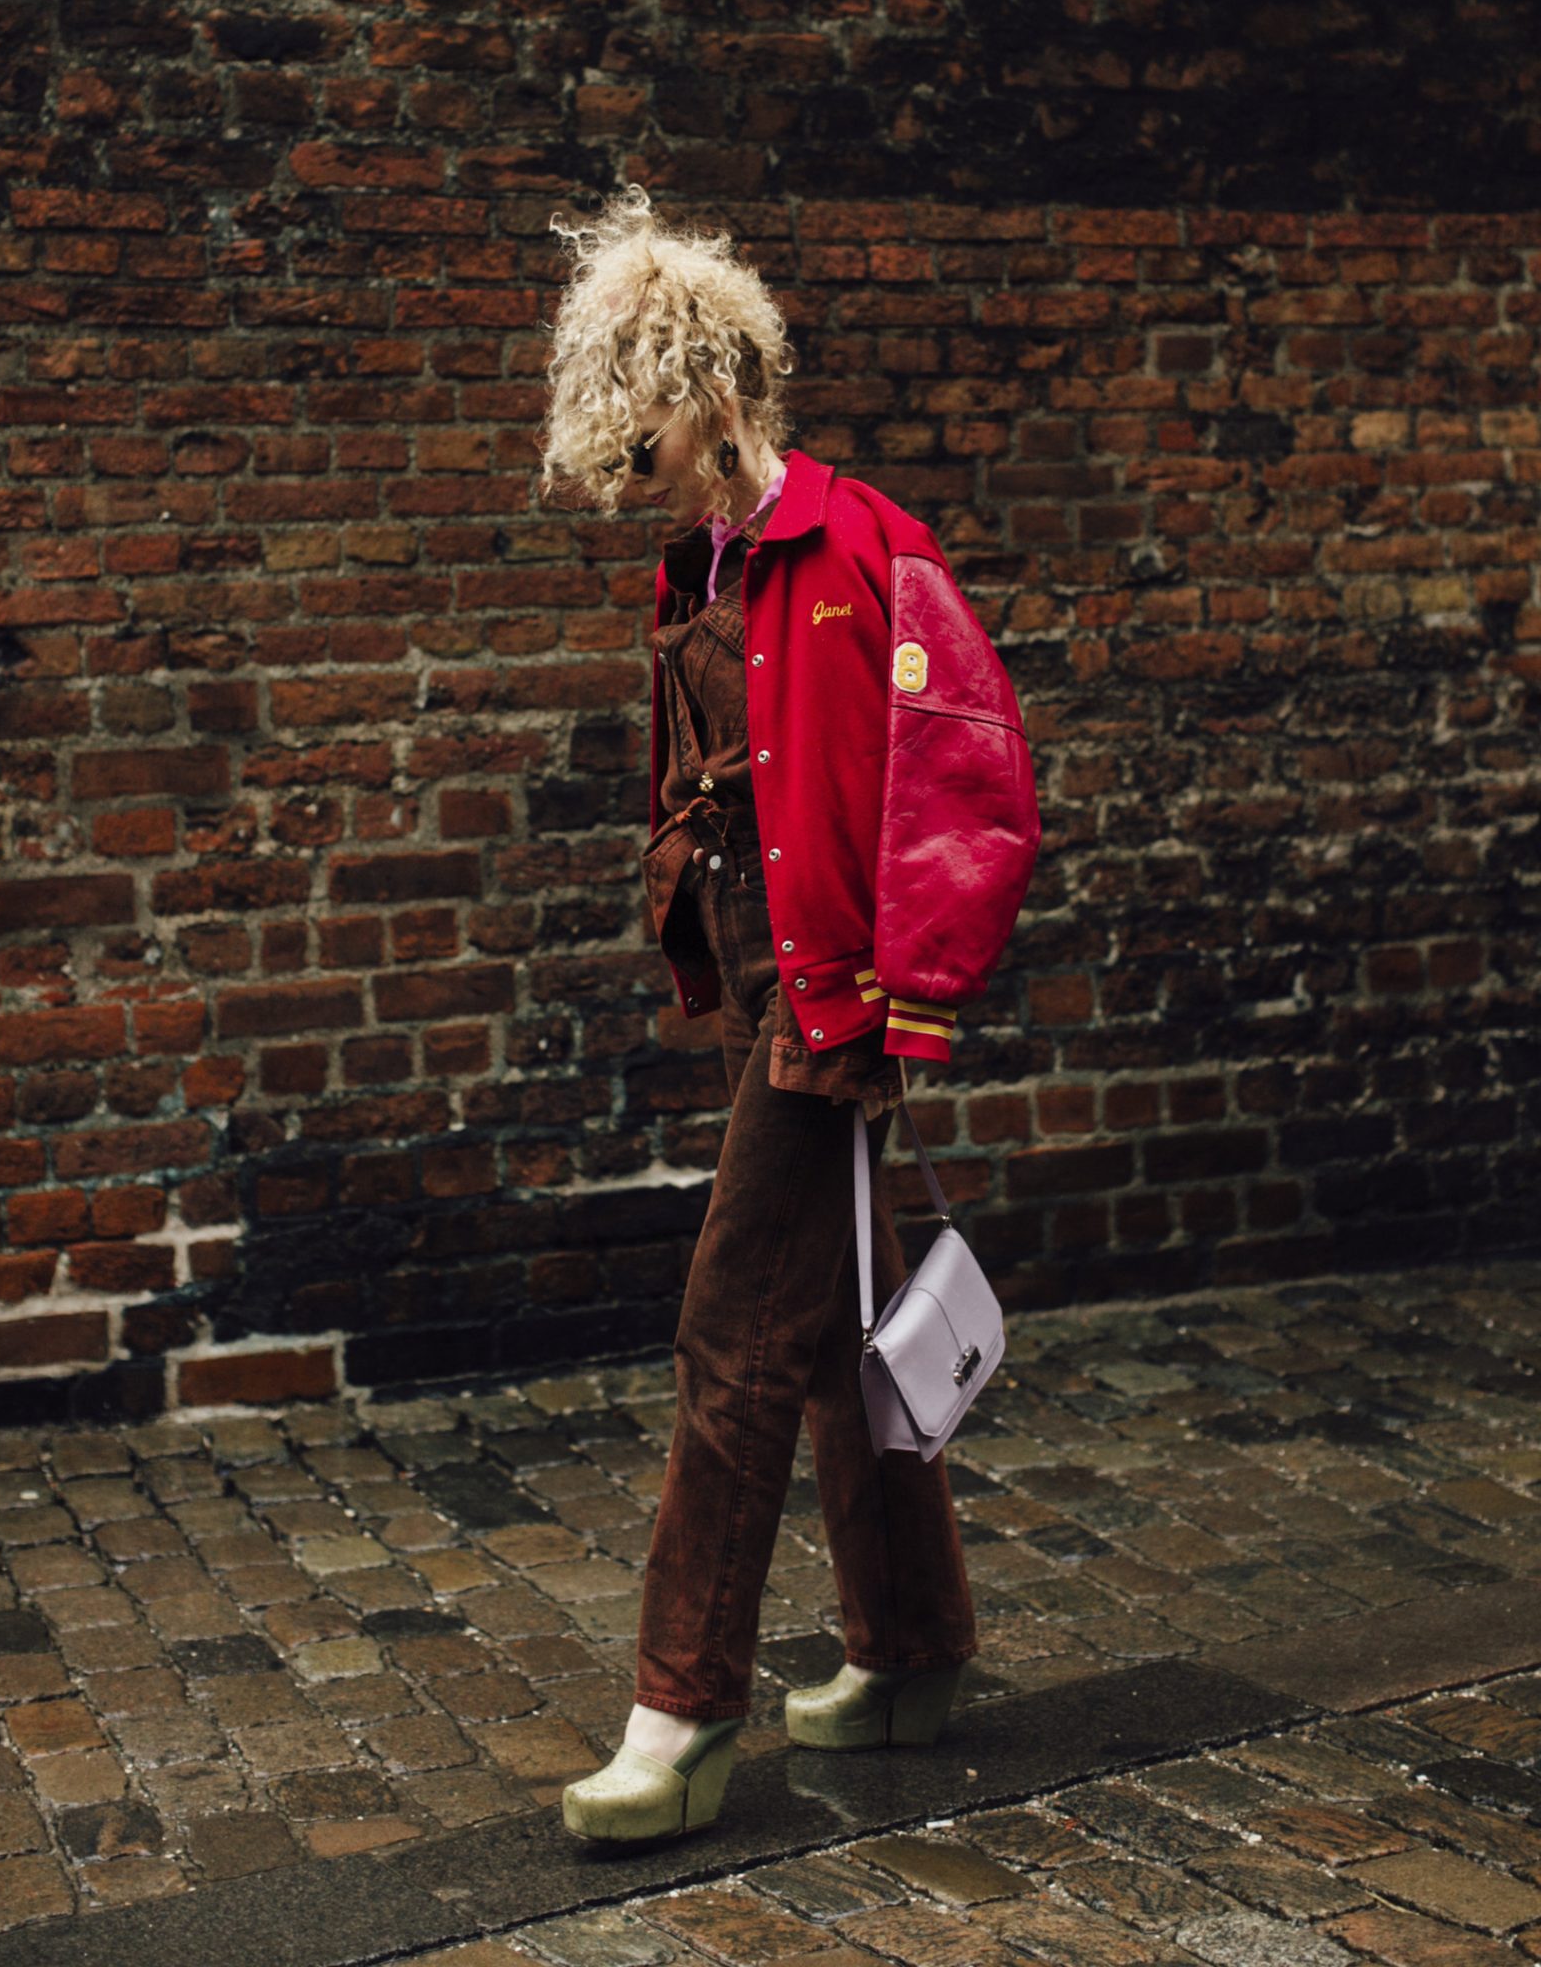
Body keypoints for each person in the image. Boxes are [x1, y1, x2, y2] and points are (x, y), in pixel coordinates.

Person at [534, 184, 1042, 1847]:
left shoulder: (862, 544)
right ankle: (911, 1652)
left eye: (648, 422)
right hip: (770, 975)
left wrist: (913, 991)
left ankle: (680, 1717)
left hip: (842, 991)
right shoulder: (697, 566)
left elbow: (970, 768)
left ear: (716, 383)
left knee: (736, 1325)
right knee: (835, 1325)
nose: (636, 462)